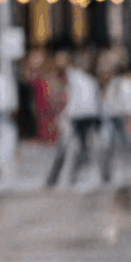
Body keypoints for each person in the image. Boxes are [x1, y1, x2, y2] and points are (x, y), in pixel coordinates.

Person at [45, 48, 101, 187]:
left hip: (77, 115)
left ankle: (61, 177)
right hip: (87, 113)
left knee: (71, 146)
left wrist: (65, 114)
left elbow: (70, 97)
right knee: (80, 145)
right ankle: (73, 175)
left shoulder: (71, 76)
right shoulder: (85, 77)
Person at [99, 52, 131, 183]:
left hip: (124, 117)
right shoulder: (115, 83)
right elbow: (107, 101)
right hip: (113, 117)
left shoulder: (129, 82)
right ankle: (106, 176)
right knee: (109, 145)